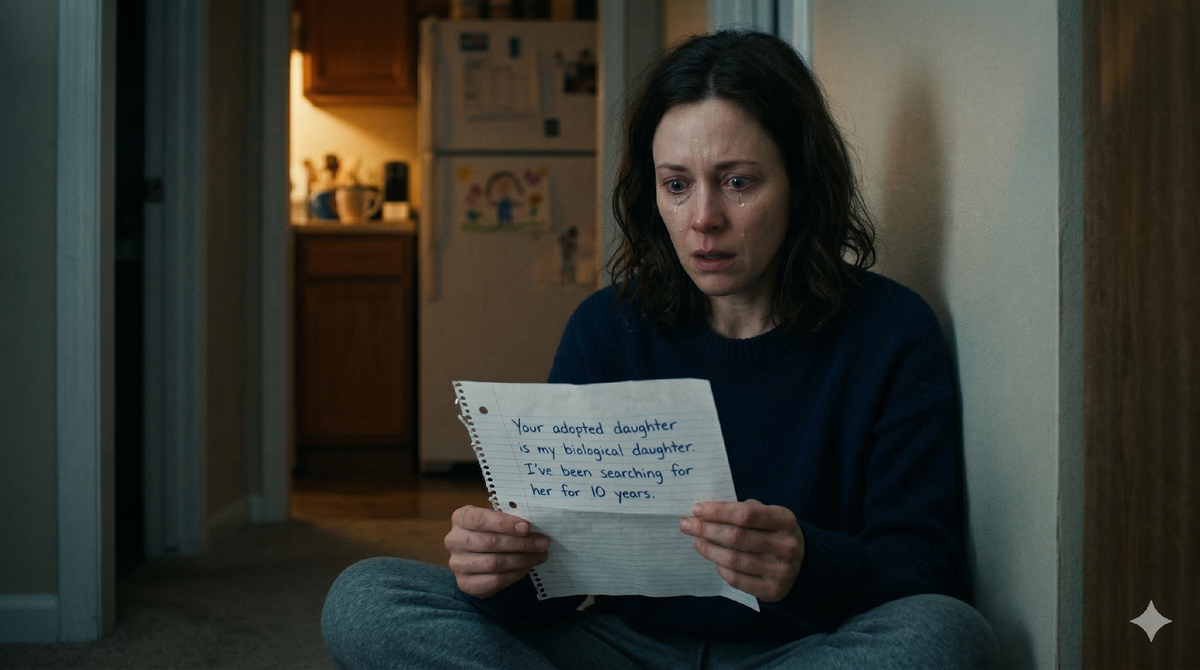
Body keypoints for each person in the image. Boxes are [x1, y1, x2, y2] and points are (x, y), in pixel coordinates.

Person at [321, 30, 997, 669]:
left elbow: (924, 568)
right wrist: (499, 573)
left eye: (737, 182)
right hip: (622, 648)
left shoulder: (890, 332)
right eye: (677, 184)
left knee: (945, 633)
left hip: (803, 651)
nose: (703, 218)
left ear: (800, 184)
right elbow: (552, 580)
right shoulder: (605, 328)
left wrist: (808, 566)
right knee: (367, 598)